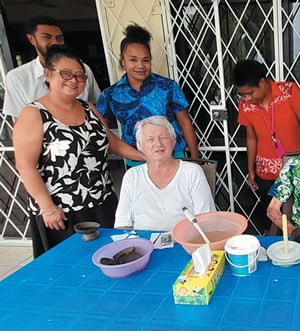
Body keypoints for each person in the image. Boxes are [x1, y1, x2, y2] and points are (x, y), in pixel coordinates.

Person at [12, 45, 146, 258]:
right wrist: (47, 208)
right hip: (63, 211)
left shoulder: (88, 108)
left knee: (111, 256)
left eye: (79, 76)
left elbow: (112, 143)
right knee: (71, 265)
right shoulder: (33, 114)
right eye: (66, 74)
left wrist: (147, 157)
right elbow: (25, 166)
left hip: (101, 202)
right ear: (48, 74)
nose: (73, 80)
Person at [97, 24, 199, 166]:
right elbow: (100, 129)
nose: (141, 65)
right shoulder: (110, 94)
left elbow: (185, 122)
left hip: (173, 156)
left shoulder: (168, 87)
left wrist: (195, 158)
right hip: (135, 161)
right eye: (133, 60)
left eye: (146, 60)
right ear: (122, 61)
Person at [233, 59, 300, 233]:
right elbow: (251, 139)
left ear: (262, 82)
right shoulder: (245, 105)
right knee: (271, 215)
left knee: (296, 213)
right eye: (243, 94)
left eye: (250, 93)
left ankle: (298, 244)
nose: (247, 98)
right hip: (265, 170)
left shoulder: (289, 91)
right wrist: (251, 170)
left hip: (295, 166)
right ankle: (273, 245)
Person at [114, 116, 215, 231]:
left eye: (163, 138)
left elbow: (207, 219)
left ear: (173, 142)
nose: (158, 144)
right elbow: (122, 224)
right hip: (143, 243)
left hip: (185, 241)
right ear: (140, 145)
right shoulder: (132, 176)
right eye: (150, 139)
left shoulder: (192, 172)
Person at [3, 16, 101, 120]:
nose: (54, 42)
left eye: (59, 38)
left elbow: (95, 106)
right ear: (32, 39)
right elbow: (19, 121)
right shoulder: (17, 77)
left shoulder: (82, 70)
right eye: (47, 37)